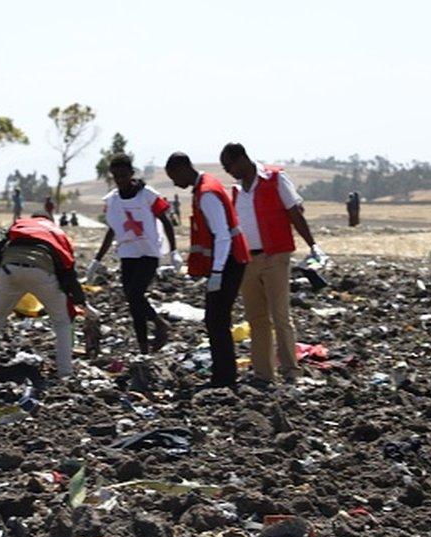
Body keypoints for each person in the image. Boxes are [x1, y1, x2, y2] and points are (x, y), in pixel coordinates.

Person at [221, 143, 323, 386]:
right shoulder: (236, 192)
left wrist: (312, 245)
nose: (228, 172)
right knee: (257, 319)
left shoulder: (275, 179)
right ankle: (264, 374)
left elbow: (294, 213)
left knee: (280, 315)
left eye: (229, 166)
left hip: (275, 255)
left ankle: (290, 371)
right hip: (248, 259)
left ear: (241, 159)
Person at [0, 214, 97, 385]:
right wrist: (82, 302)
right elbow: (68, 271)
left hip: (9, 269)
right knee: (62, 322)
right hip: (42, 271)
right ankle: (65, 374)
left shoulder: (20, 227)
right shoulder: (55, 233)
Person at [165, 152, 251, 388]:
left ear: (183, 169)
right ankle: (223, 374)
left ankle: (224, 378)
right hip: (229, 262)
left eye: (174, 176)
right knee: (216, 320)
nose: (174, 182)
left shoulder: (206, 194)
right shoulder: (205, 187)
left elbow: (222, 236)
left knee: (216, 320)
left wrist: (217, 273)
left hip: (229, 262)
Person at [86, 153, 178, 354]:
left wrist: (174, 251)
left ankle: (160, 324)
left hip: (148, 252)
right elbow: (113, 229)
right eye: (116, 176)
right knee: (133, 301)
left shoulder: (147, 195)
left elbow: (165, 220)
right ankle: (144, 349)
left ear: (131, 173)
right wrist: (96, 260)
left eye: (123, 175)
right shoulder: (112, 201)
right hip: (128, 254)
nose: (120, 180)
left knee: (135, 294)